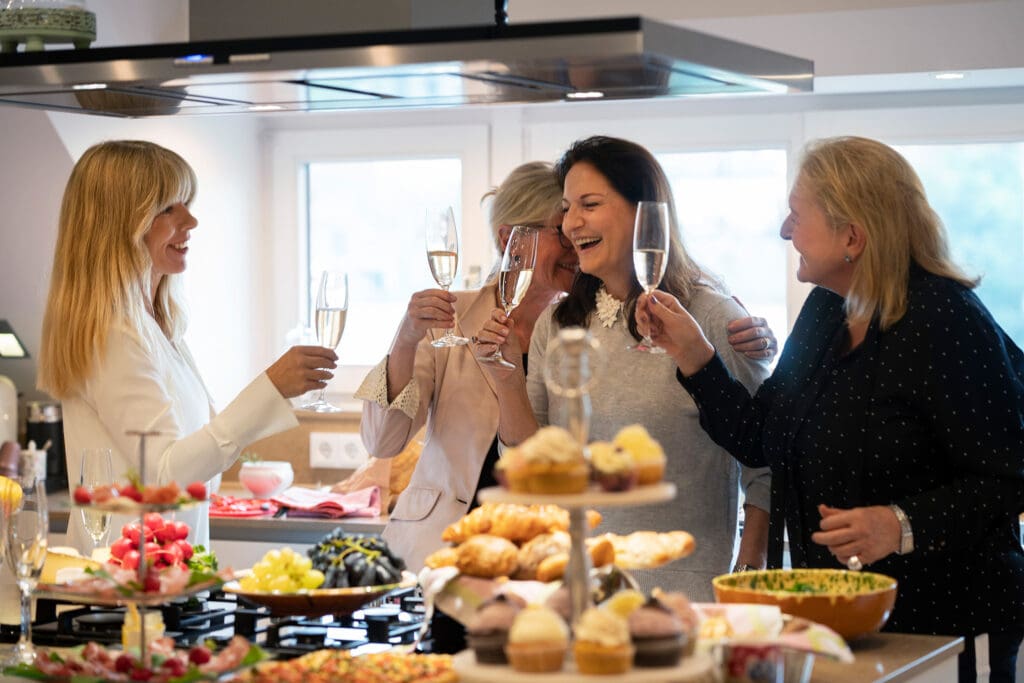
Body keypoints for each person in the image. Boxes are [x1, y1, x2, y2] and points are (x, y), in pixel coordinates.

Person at [642, 136, 1024, 683]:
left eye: (797, 215)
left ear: (853, 236)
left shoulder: (946, 319)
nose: (783, 231)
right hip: (846, 630)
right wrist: (694, 353)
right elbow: (762, 439)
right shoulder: (826, 310)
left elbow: (1009, 478)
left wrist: (901, 524)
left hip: (946, 631)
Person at [357, 160, 777, 574]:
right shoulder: (452, 318)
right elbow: (383, 441)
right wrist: (407, 336)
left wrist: (739, 335)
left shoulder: (581, 326)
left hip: (545, 562)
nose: (575, 239)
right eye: (561, 229)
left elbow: (750, 436)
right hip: (447, 553)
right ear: (511, 241)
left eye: (585, 213)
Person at [475, 136, 774, 601]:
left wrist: (750, 567)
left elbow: (764, 460)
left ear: (645, 213)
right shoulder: (559, 322)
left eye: (589, 205)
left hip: (685, 591)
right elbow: (532, 461)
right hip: (577, 589)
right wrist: (506, 381)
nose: (571, 224)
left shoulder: (714, 318)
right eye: (567, 208)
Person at [37, 140, 337, 555]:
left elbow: (204, 470)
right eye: (168, 209)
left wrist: (267, 393)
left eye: (186, 204)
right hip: (124, 589)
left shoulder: (158, 327)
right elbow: (166, 478)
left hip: (164, 576)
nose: (191, 220)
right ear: (122, 222)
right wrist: (271, 387)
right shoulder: (113, 334)